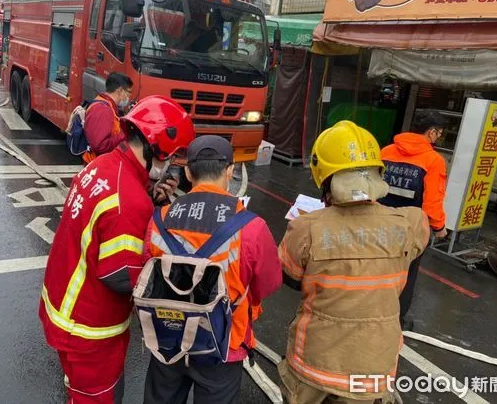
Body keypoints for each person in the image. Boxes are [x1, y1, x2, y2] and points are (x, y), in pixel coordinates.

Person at [39, 96, 195, 404]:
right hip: (89, 327)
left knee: (80, 391)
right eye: (172, 157)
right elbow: (122, 275)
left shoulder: (103, 165)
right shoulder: (129, 200)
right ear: (155, 148)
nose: (169, 168)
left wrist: (149, 201)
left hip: (62, 303)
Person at [278, 121, 430, 404]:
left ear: (322, 175)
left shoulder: (306, 229)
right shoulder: (411, 223)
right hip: (374, 366)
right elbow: (419, 243)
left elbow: (290, 276)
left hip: (316, 361)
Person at [141, 135, 282, 404]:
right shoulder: (250, 226)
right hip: (223, 344)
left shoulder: (159, 218)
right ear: (230, 171)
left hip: (168, 337)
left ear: (187, 172)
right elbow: (269, 283)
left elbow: (146, 275)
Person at [378, 110, 448, 329]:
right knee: (405, 274)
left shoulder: (386, 151)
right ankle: (395, 321)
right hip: (411, 229)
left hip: (379, 222)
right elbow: (432, 202)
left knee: (376, 267)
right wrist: (439, 227)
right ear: (432, 132)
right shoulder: (433, 160)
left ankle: (372, 310)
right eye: (440, 133)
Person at [82, 72, 134, 163]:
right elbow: (101, 146)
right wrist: (125, 133)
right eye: (129, 92)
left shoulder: (108, 105)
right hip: (97, 166)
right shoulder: (102, 109)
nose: (129, 97)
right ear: (120, 90)